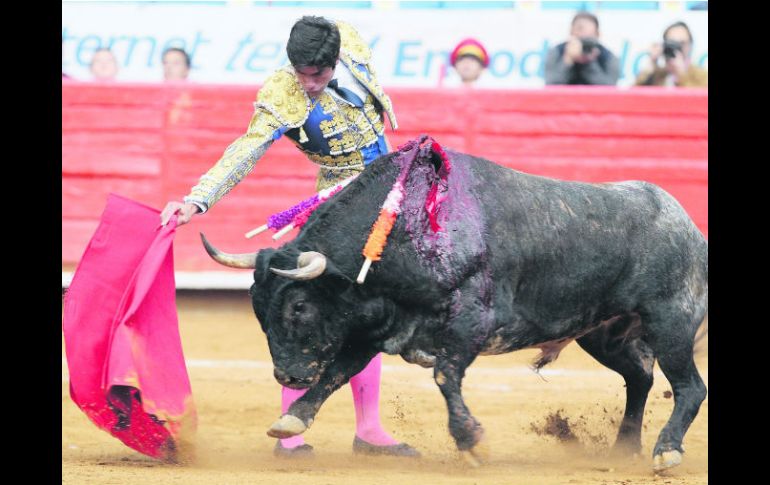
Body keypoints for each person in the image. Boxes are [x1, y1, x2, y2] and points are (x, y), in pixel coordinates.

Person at [160, 16, 417, 459]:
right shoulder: (282, 94)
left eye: (318, 74)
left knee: (372, 312)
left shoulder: (350, 41)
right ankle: (291, 436)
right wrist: (196, 201)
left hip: (388, 196)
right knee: (308, 312)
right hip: (336, 210)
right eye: (301, 73)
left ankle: (370, 429)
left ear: (336, 59)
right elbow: (244, 151)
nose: (308, 83)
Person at [544, 11, 619, 86]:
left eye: (588, 39)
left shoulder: (608, 57)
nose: (582, 44)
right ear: (571, 32)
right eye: (579, 36)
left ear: (597, 34)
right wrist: (567, 61)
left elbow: (610, 88)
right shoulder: (556, 52)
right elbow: (551, 85)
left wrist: (589, 63)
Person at [635, 21, 707, 88]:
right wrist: (651, 65)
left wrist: (681, 75)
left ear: (690, 45)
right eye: (672, 42)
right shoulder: (656, 75)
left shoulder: (701, 75)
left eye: (682, 43)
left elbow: (700, 95)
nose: (676, 48)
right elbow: (635, 93)